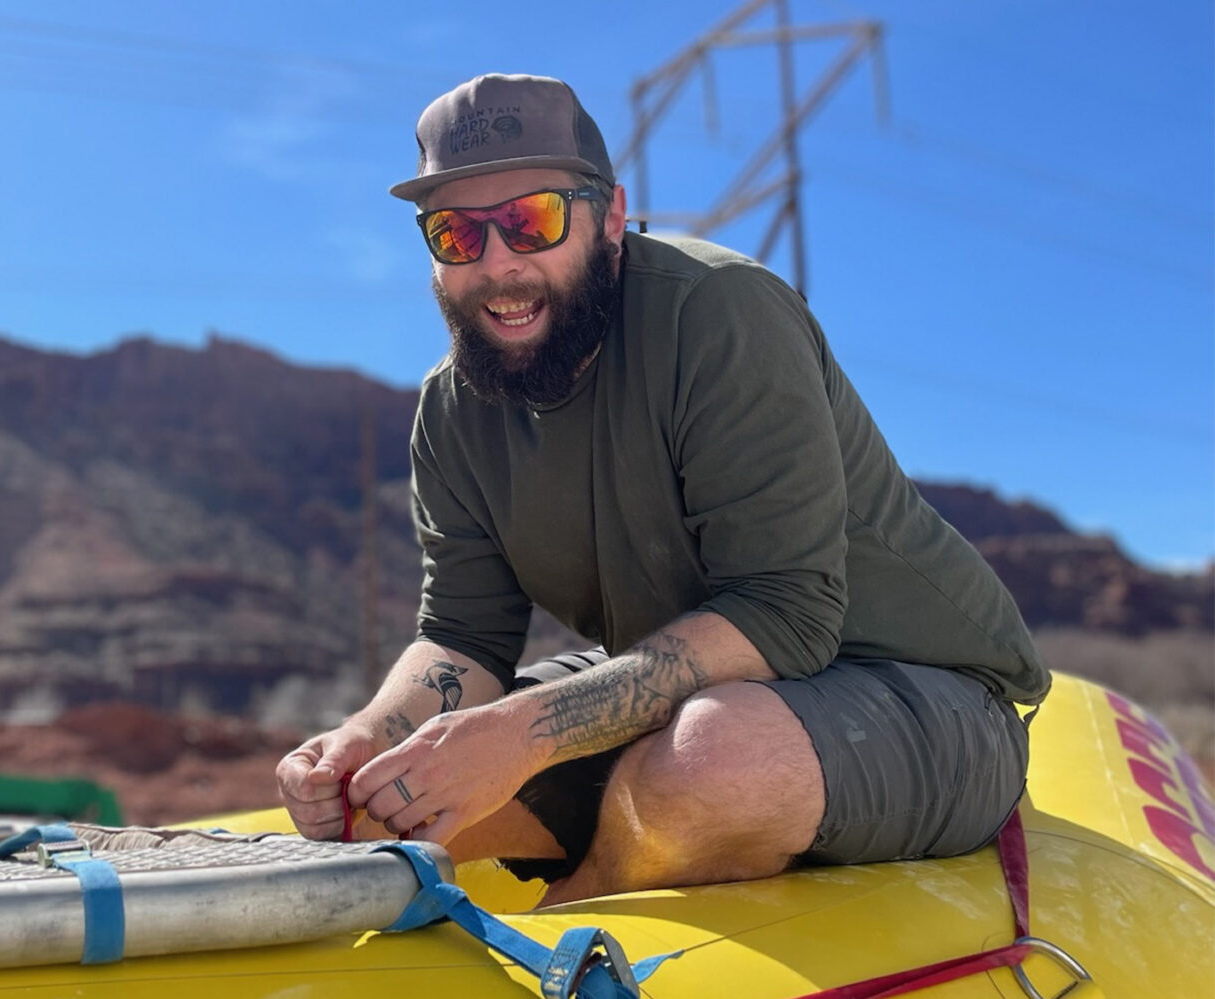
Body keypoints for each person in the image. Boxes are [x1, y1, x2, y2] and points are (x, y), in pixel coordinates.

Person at [275, 73, 1049, 905]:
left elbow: (785, 613)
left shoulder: (721, 313)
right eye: (456, 233)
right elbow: (463, 635)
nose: (498, 264)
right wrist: (369, 737)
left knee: (712, 762)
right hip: (687, 691)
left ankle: (569, 925)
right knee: (381, 804)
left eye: (532, 220)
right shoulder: (453, 411)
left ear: (609, 217)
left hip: (916, 690)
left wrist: (522, 734)